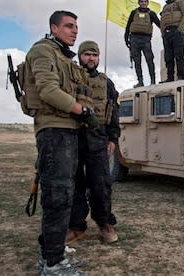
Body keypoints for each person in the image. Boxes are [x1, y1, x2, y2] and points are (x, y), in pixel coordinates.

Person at [27, 10, 96, 276]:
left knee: (64, 195)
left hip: (67, 130)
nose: (74, 30)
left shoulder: (63, 56)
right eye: (68, 26)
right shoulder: (43, 52)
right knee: (57, 196)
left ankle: (52, 251)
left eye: (76, 26)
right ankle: (52, 264)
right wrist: (81, 110)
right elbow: (47, 90)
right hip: (54, 130)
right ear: (53, 28)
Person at [67, 40, 120, 245]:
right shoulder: (71, 78)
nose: (91, 58)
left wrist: (113, 138)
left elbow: (113, 111)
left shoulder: (106, 82)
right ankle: (76, 226)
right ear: (80, 56)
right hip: (73, 137)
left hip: (98, 138)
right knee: (75, 184)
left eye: (94, 55)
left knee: (101, 184)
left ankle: (105, 223)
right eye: (87, 54)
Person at [124, 0, 160, 87]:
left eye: (145, 1)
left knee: (149, 59)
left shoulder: (151, 14)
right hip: (134, 39)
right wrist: (126, 38)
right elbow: (128, 26)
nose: (143, 3)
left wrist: (165, 32)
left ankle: (153, 80)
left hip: (146, 39)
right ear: (139, 3)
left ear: (147, 3)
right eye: (141, 1)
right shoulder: (133, 12)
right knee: (137, 61)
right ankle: (140, 81)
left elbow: (159, 24)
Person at [160, 0, 184, 82]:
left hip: (176, 31)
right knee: (168, 57)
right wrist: (163, 33)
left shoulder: (180, 2)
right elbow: (162, 20)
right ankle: (170, 77)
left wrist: (180, 29)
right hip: (166, 34)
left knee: (179, 55)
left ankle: (181, 76)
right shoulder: (165, 7)